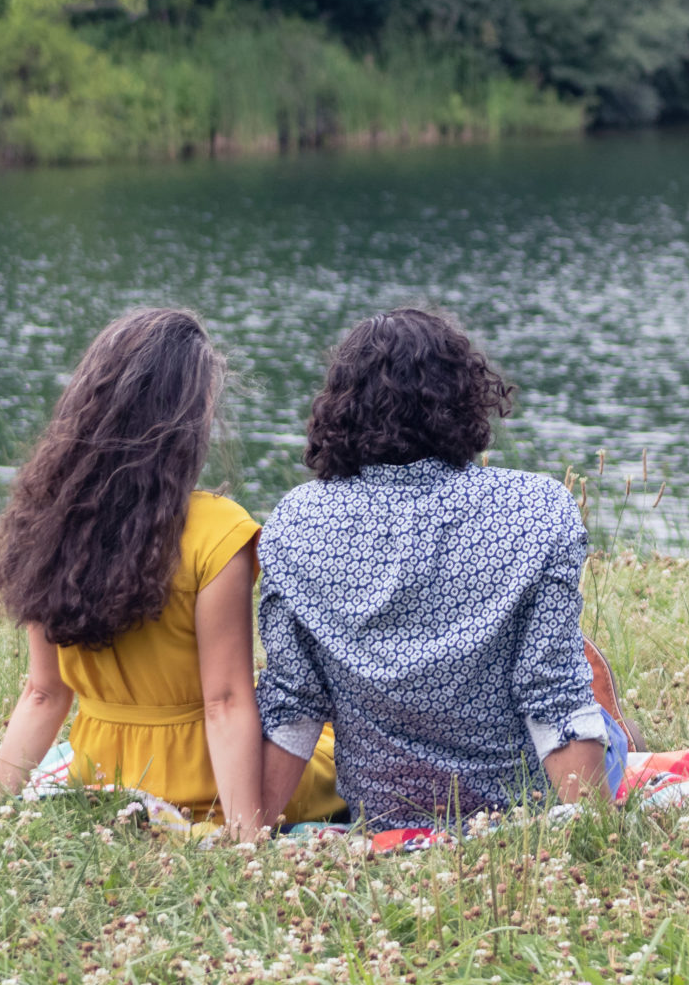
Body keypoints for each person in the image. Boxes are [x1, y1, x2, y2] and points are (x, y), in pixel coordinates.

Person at [0, 307, 340, 838]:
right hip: (210, 783)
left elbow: (44, 693)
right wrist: (244, 837)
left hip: (102, 779)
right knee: (335, 746)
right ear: (187, 420)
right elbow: (224, 702)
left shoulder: (47, 524)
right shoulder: (218, 531)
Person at [255, 308, 609, 831]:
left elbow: (294, 703)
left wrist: (246, 832)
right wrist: (595, 833)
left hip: (382, 816)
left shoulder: (296, 523)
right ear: (465, 397)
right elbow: (552, 692)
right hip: (521, 809)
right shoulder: (538, 507)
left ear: (342, 406)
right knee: (604, 712)